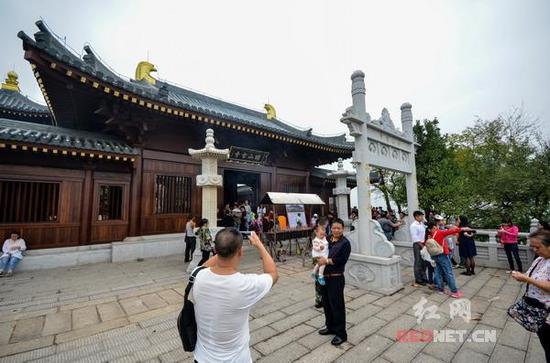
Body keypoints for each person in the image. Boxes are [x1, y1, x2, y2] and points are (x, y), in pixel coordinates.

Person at [193, 229, 278, 363]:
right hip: (236, 359)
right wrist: (259, 245)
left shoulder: (198, 276)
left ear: (216, 249)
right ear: (240, 251)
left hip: (201, 358)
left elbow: (203, 266)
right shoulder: (245, 285)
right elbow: (273, 273)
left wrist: (224, 247)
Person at [510, 229, 550, 362]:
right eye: (532, 246)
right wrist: (522, 276)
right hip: (538, 310)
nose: (534, 250)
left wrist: (528, 279)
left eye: (537, 247)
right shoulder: (540, 259)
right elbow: (530, 275)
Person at [317, 218, 351, 346]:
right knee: (326, 303)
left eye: (339, 228)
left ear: (343, 229)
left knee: (337, 306)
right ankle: (330, 327)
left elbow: (342, 260)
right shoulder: (327, 239)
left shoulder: (345, 243)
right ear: (331, 228)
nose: (336, 230)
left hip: (336, 278)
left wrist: (327, 261)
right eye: (334, 228)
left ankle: (341, 333)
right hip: (324, 277)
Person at [427, 222, 468, 298]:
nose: (438, 226)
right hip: (442, 255)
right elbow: (451, 231)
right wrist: (462, 228)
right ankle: (454, 291)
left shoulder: (430, 235)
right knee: (449, 272)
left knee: (438, 272)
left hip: (435, 256)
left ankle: (440, 289)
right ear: (434, 227)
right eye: (437, 225)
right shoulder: (439, 232)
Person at [410, 210, 428, 287]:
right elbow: (415, 238)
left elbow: (427, 227)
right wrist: (422, 246)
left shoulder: (421, 224)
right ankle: (418, 279)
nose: (422, 217)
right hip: (418, 244)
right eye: (421, 216)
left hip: (423, 243)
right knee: (418, 261)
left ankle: (424, 277)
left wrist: (424, 220)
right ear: (416, 217)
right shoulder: (413, 225)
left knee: (424, 261)